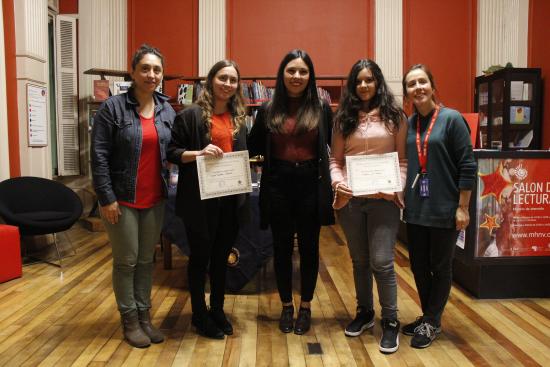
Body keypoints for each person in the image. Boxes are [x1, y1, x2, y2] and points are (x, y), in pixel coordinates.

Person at [91, 44, 175, 348]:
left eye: (157, 70)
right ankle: (129, 319)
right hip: (122, 200)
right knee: (126, 261)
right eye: (145, 69)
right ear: (133, 72)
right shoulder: (112, 109)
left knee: (145, 260)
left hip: (155, 198)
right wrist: (106, 198)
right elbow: (98, 157)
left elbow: (175, 150)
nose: (151, 75)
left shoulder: (166, 109)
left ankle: (144, 316)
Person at [248, 49, 334, 335]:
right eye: (291, 70)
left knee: (310, 249)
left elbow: (333, 145)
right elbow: (253, 147)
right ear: (282, 74)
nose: (296, 76)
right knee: (281, 249)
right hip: (278, 185)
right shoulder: (266, 110)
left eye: (303, 71)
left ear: (310, 76)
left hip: (311, 184)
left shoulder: (322, 108)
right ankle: (286, 306)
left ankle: (306, 306)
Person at [329, 59, 407, 353]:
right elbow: (335, 161)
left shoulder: (395, 116)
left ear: (378, 82)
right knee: (360, 261)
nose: (363, 85)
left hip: (384, 201)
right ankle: (364, 312)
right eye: (358, 81)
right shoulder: (342, 118)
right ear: (352, 85)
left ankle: (390, 320)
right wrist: (338, 184)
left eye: (369, 80)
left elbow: (403, 160)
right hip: (351, 201)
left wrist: (394, 187)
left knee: (382, 262)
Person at [167, 60, 248, 339]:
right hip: (200, 202)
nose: (227, 84)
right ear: (211, 80)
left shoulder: (239, 118)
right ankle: (199, 316)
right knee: (200, 258)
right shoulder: (189, 116)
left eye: (233, 80)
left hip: (229, 200)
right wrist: (199, 153)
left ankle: (218, 310)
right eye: (222, 77)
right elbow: (173, 152)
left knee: (221, 258)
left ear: (238, 86)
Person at [401, 64, 476, 348]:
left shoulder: (452, 119)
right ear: (406, 92)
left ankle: (433, 321)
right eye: (411, 84)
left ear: (432, 86)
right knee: (419, 266)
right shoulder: (408, 124)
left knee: (441, 266)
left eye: (422, 82)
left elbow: (467, 165)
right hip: (416, 208)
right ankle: (428, 316)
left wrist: (463, 207)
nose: (417, 87)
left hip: (446, 208)